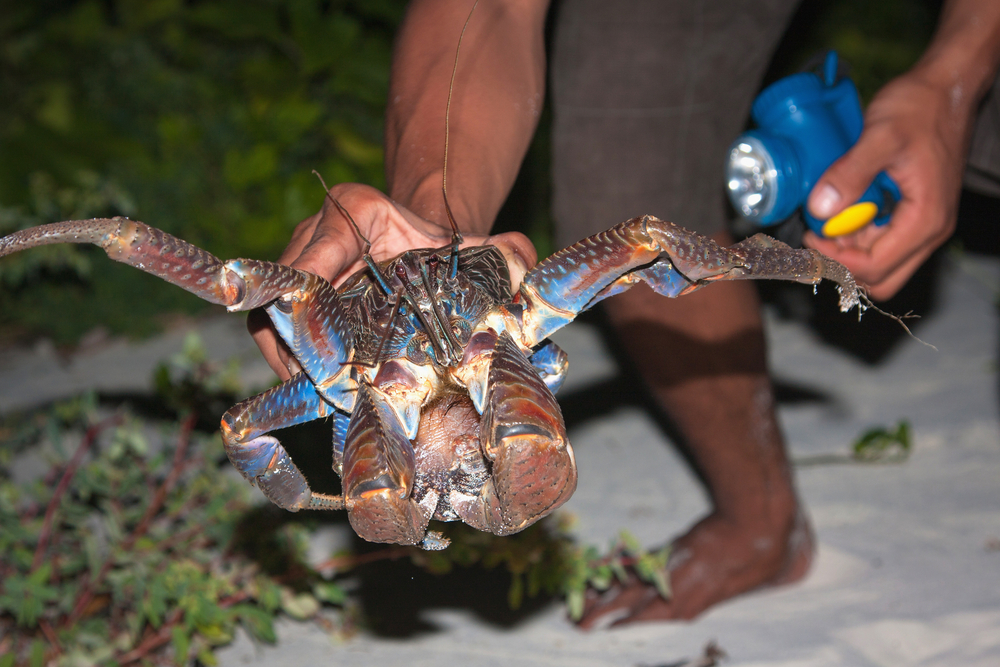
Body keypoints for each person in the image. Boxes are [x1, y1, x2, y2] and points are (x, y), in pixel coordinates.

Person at [248, 0, 1000, 627]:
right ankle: (760, 521)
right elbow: (489, 9)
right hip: (415, 336)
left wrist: (952, 82)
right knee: (625, 168)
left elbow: (652, 245)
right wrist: (431, 215)